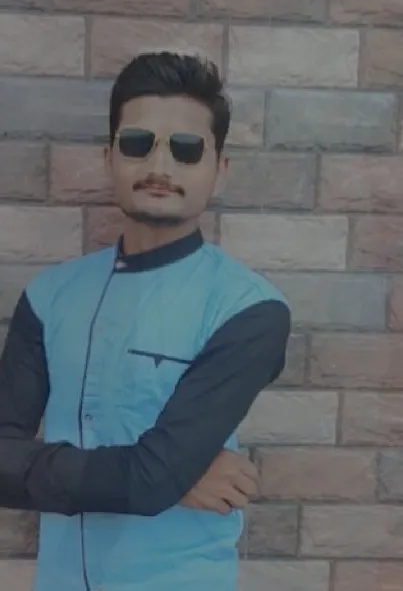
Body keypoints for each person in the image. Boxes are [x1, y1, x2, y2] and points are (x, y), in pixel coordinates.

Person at [0, 52, 291, 591]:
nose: (160, 167)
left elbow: (152, 478)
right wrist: (172, 476)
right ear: (110, 157)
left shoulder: (248, 310)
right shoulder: (49, 296)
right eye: (138, 143)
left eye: (186, 150)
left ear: (219, 169)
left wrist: (158, 476)